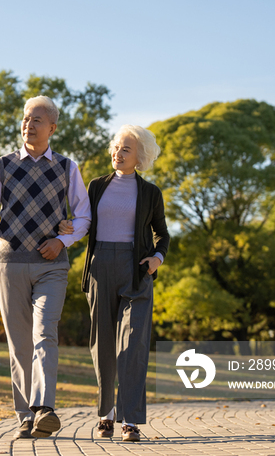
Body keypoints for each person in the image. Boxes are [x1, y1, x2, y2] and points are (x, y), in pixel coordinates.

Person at [0, 96, 91, 439]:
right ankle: (25, 415)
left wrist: (63, 241)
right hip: (9, 261)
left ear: (52, 128)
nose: (29, 124)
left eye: (37, 120)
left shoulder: (67, 167)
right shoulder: (4, 165)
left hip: (51, 265)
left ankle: (44, 409)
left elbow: (84, 216)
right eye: (26, 118)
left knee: (45, 334)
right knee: (20, 343)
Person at [59, 125, 169, 442]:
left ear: (140, 157)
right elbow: (83, 220)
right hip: (100, 267)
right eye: (116, 147)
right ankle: (106, 415)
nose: (117, 154)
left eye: (125, 150)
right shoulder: (96, 187)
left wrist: (157, 259)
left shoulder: (150, 193)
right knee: (103, 344)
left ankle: (130, 421)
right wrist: (69, 225)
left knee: (133, 345)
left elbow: (163, 234)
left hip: (136, 271)